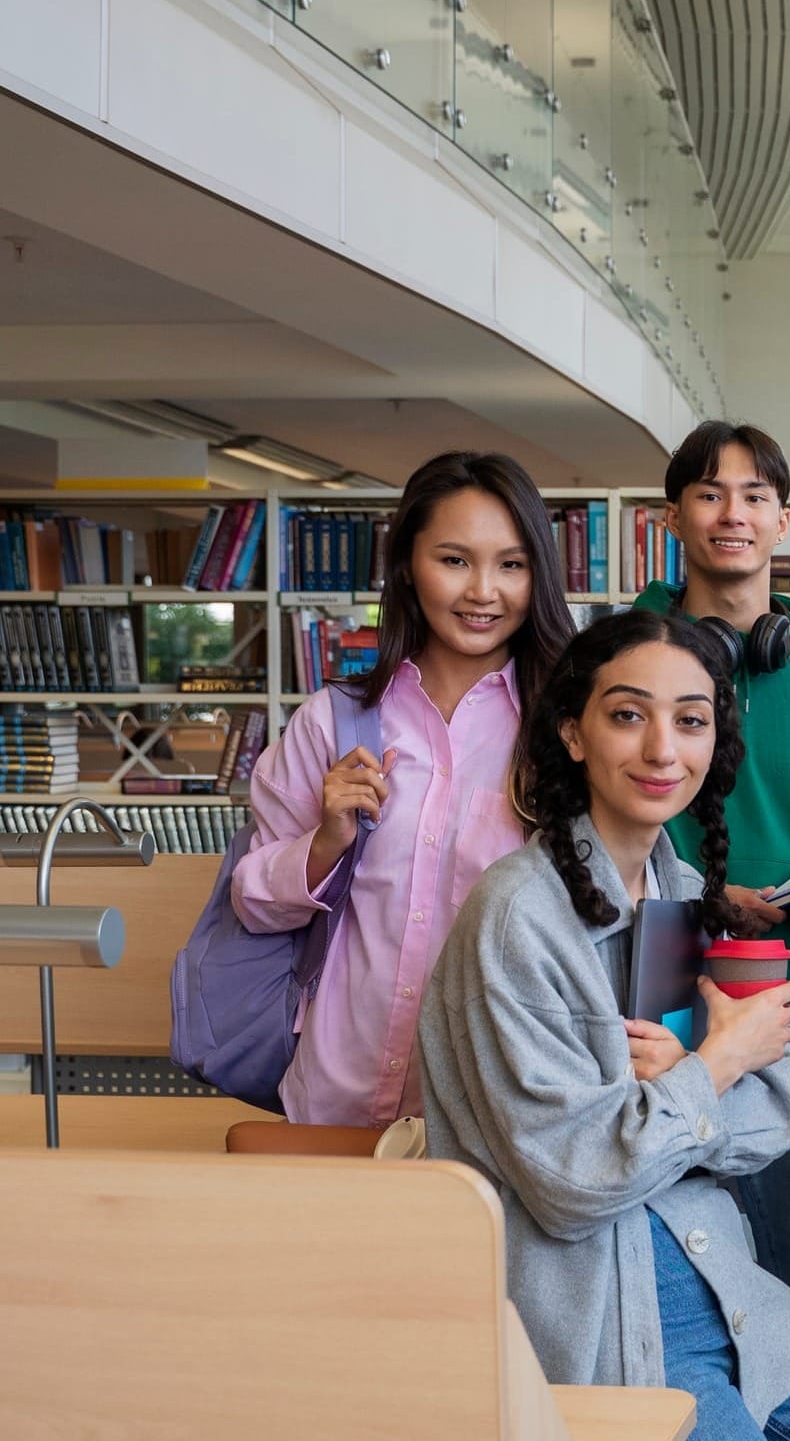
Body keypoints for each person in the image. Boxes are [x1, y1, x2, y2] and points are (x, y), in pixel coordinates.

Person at [418, 610, 790, 1440]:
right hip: (608, 1324)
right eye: (628, 714)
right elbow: (574, 1184)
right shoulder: (515, 917)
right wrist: (715, 1066)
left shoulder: (686, 891)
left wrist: (673, 1100)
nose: (663, 749)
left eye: (690, 721)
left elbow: (788, 1100)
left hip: (730, 1288)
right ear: (572, 732)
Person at [631, 420, 790, 1343]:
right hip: (650, 1019)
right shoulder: (624, 667)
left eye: (753, 496)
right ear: (671, 518)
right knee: (656, 1296)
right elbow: (589, 829)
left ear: (782, 520)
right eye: (708, 494)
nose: (731, 514)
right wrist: (704, 894)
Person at [232, 451, 573, 1127]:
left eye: (511, 565)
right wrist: (325, 843)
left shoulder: (569, 734)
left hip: (493, 1111)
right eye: (454, 560)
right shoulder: (331, 723)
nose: (483, 591)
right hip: (333, 1094)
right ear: (408, 566)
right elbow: (253, 904)